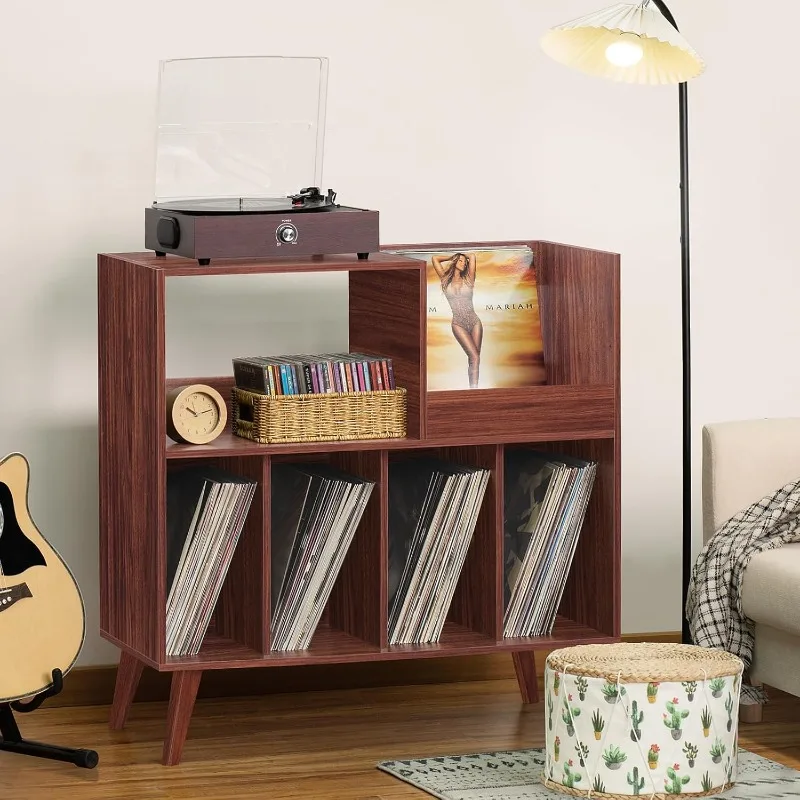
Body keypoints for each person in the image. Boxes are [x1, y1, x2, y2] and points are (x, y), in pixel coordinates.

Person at [431, 252, 483, 388]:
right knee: (474, 357)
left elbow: (472, 256)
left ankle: (473, 391)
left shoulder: (469, 279)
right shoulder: (445, 279)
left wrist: (463, 256)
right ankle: (474, 391)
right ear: (455, 261)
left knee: (474, 359)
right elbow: (435, 258)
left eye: (464, 262)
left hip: (475, 322)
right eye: (460, 261)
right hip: (458, 324)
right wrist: (452, 256)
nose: (463, 263)